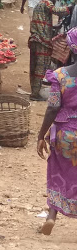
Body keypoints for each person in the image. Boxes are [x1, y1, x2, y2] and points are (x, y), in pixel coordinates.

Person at [37, 27, 77, 235]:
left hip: (65, 134)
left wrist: (41, 135)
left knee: (57, 172)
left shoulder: (60, 76)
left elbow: (53, 107)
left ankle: (52, 216)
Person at [28, 0, 69, 100]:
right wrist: (69, 8)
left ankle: (34, 90)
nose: (55, 0)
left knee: (34, 66)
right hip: (42, 42)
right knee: (41, 68)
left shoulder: (39, 5)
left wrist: (54, 27)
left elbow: (44, 22)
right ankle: (35, 94)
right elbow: (57, 10)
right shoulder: (47, 3)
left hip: (35, 40)